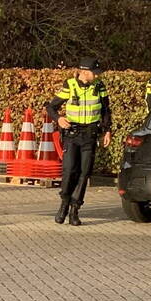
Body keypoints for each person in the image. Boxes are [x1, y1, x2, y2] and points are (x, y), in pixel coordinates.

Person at [46, 57, 112, 226]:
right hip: (72, 135)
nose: (96, 76)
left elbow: (105, 110)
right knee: (69, 171)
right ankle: (64, 204)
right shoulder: (70, 85)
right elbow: (51, 107)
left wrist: (107, 130)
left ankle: (75, 210)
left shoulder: (99, 87)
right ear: (84, 72)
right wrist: (59, 119)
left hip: (90, 135)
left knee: (84, 174)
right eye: (93, 73)